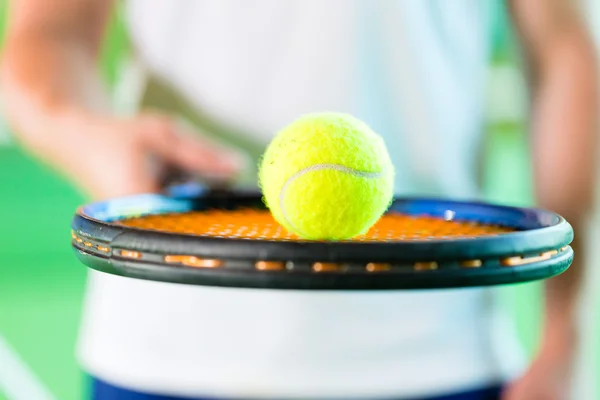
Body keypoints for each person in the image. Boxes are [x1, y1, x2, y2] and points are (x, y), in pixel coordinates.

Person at [1, 1, 597, 399]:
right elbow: (47, 34)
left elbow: (563, 49)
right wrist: (86, 133)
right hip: (162, 350)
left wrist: (563, 331)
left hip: (440, 354)